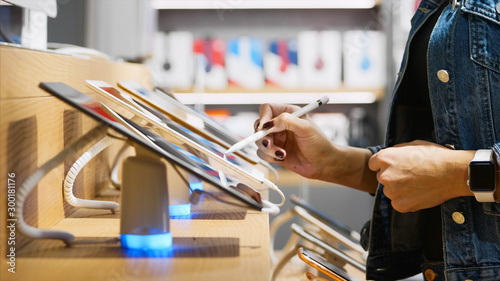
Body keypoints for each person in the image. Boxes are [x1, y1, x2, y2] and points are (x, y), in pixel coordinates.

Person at [254, 0, 500, 280]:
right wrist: (334, 162)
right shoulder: (435, 8)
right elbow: (428, 169)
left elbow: (444, 171)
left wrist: (459, 173)